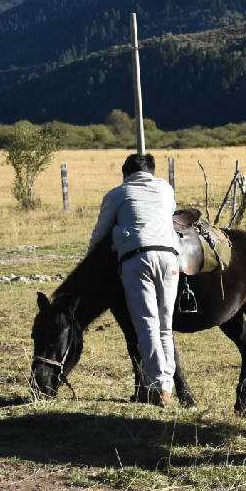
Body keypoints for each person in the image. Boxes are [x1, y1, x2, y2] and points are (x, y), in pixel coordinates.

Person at [89, 153, 180, 406]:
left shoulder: (117, 194)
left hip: (137, 258)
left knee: (147, 324)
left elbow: (99, 235)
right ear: (151, 172)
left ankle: (156, 387)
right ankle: (167, 386)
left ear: (125, 174)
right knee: (165, 325)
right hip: (170, 258)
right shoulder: (166, 189)